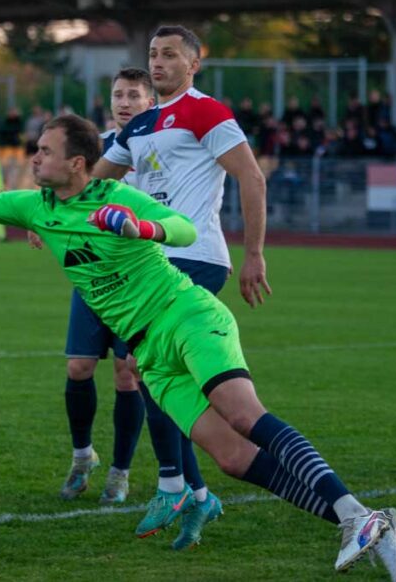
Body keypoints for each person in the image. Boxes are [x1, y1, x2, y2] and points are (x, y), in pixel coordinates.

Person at [0, 114, 396, 580]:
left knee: (242, 413)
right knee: (229, 459)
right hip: (149, 352)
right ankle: (357, 523)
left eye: (44, 151)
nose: (34, 159)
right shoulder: (37, 207)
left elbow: (182, 229)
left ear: (75, 163)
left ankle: (358, 514)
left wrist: (138, 226)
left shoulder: (118, 197)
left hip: (186, 314)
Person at [91, 27, 270, 548]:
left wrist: (253, 253)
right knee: (159, 379)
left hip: (194, 257)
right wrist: (44, 211)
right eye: (153, 54)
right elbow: (96, 182)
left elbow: (251, 177)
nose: (159, 62)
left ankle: (178, 483)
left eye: (170, 54)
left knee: (147, 370)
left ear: (194, 64)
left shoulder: (205, 111)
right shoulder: (142, 124)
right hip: (150, 266)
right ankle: (192, 490)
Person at [27, 69, 158, 520]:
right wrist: (40, 220)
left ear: (150, 101)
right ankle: (83, 456)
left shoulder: (162, 145)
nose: (124, 102)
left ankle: (120, 472)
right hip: (93, 275)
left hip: (138, 282)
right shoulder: (95, 146)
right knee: (79, 366)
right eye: (118, 94)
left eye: (134, 95)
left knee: (128, 374)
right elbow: (55, 182)